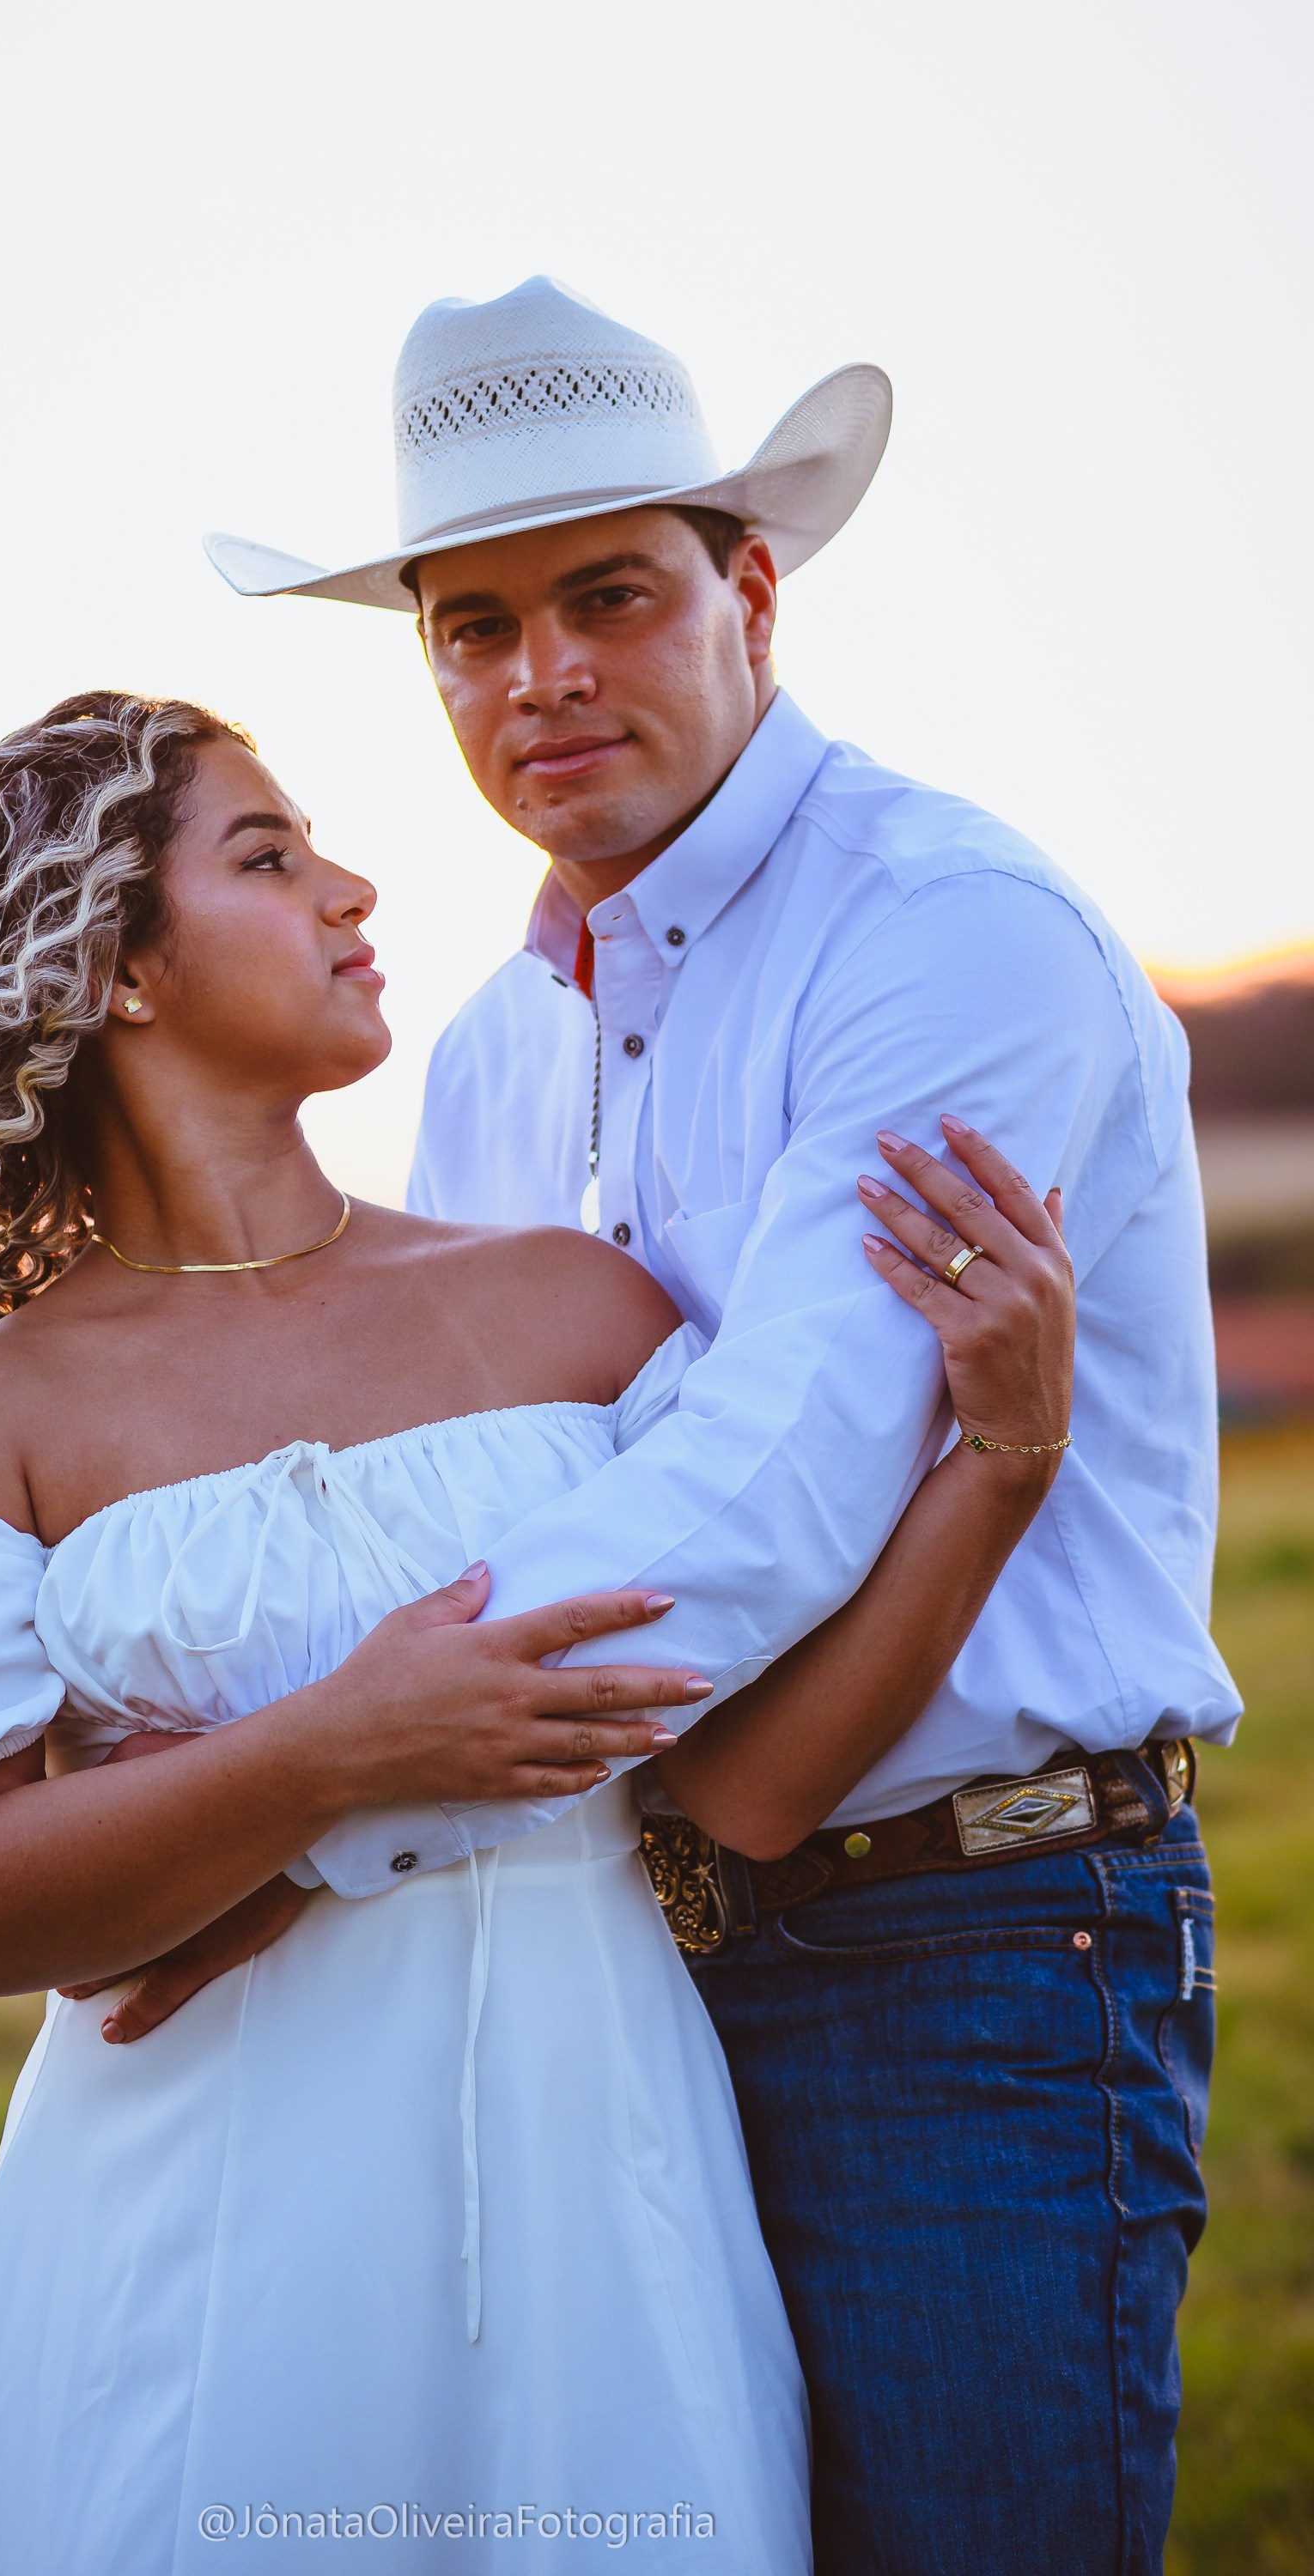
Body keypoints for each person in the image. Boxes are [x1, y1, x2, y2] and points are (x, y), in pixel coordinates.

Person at [0, 691, 1074, 2574]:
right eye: (269, 858)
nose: (356, 890)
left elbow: (756, 1794)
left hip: (592, 2191)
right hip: (182, 2216)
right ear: (115, 967)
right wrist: (331, 1749)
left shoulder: (567, 1308)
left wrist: (1000, 1465)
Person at [206, 276, 1243, 2573]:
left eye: (606, 596)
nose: (540, 678)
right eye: (472, 628)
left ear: (747, 590)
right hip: (614, 1955)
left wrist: (301, 1780)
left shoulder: (945, 936)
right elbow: (463, 1480)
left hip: (974, 1941)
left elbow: (771, 1491)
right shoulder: (486, 1056)